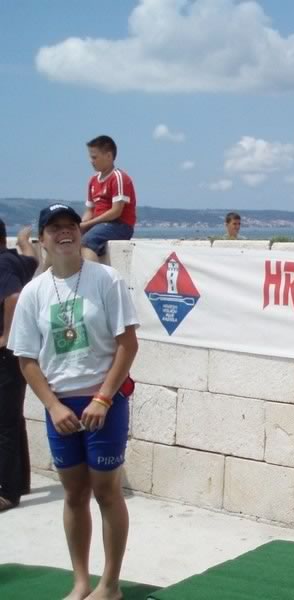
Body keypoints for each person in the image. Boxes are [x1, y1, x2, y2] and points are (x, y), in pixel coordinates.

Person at [8, 203, 139, 600]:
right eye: (55, 228)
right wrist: (52, 406)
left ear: (80, 233)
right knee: (74, 493)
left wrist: (103, 398)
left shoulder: (106, 279)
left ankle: (110, 584)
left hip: (104, 402)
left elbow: (127, 344)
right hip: (61, 407)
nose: (64, 233)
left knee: (106, 491)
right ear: (42, 240)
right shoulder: (34, 292)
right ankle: (80, 581)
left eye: (71, 226)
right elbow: (26, 359)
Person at [0, 222, 38, 511]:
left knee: (4, 423)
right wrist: (25, 241)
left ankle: (7, 491)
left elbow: (13, 296)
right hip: (18, 352)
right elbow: (33, 259)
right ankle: (20, 482)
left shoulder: (2, 265)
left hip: (6, 354)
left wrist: (5, 336)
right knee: (12, 417)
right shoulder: (16, 260)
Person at [81, 135, 137, 263]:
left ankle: (92, 275)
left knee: (85, 243)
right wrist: (79, 225)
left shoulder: (118, 177)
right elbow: (89, 210)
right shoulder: (93, 180)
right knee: (65, 240)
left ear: (108, 156)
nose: (91, 161)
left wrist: (88, 224)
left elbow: (116, 212)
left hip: (119, 225)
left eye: (94, 157)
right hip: (99, 225)